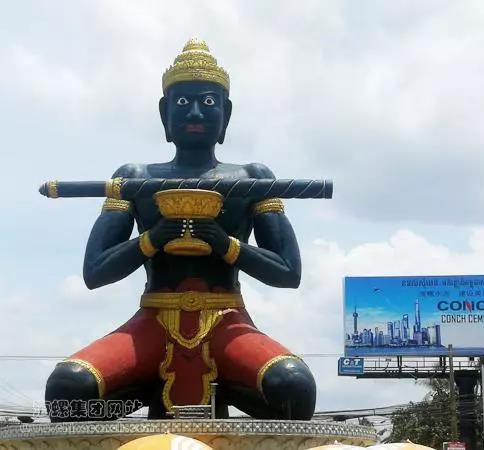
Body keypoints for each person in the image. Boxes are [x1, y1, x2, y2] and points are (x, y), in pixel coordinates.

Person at [45, 38, 316, 422]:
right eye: (183, 101)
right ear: (164, 113)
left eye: (209, 102)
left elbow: (289, 273)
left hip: (227, 322)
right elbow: (95, 272)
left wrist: (224, 244)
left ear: (226, 114)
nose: (195, 111)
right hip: (151, 323)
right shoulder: (134, 178)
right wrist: (154, 238)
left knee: (294, 387)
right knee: (68, 389)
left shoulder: (253, 178)